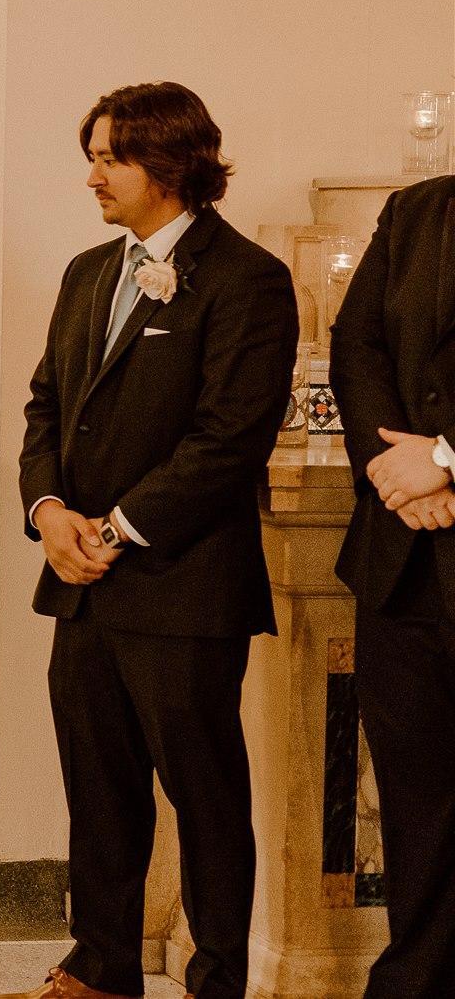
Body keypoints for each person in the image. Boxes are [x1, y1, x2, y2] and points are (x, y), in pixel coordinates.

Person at [0, 82, 297, 999]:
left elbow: (228, 437)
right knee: (98, 788)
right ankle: (101, 968)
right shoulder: (88, 271)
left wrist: (114, 529)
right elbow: (47, 406)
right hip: (81, 582)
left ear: (168, 162)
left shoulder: (247, 279)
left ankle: (216, 981)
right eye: (91, 156)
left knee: (205, 798)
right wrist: (49, 512)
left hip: (183, 586)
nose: (91, 176)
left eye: (108, 158)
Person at [330, 172, 455, 997]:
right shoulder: (416, 209)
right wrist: (392, 470)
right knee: (417, 808)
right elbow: (357, 343)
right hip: (403, 568)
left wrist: (446, 457)